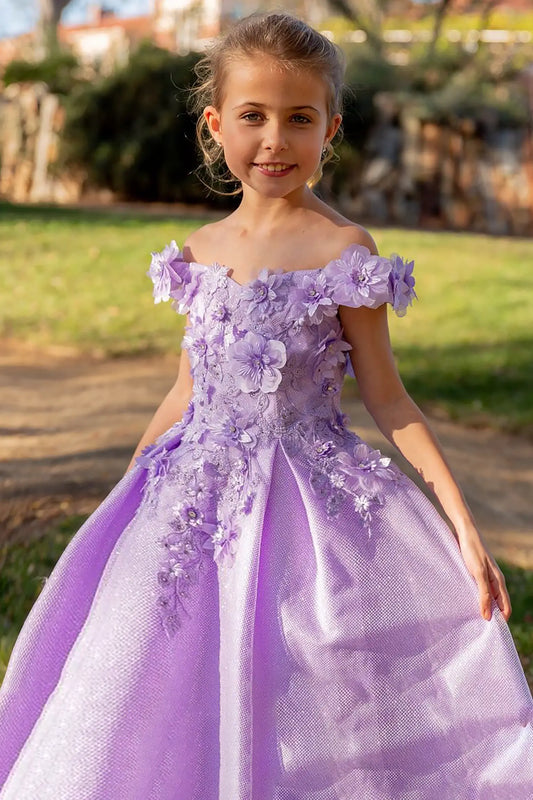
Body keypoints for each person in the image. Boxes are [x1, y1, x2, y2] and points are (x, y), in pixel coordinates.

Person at [0, 10, 532, 799]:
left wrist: (460, 522)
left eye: (298, 119)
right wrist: (127, 495)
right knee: (156, 672)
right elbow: (186, 389)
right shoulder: (197, 254)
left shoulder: (344, 251)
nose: (274, 139)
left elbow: (387, 397)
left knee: (306, 674)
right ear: (216, 126)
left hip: (309, 513)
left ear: (331, 130)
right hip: (190, 507)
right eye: (252, 116)